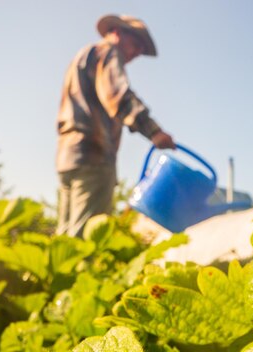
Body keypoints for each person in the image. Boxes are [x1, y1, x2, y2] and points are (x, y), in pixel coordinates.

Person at [56, 14, 175, 238]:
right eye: (136, 44)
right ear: (117, 32)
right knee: (87, 238)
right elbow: (118, 96)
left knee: (65, 238)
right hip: (94, 152)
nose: (137, 52)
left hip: (68, 154)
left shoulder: (84, 55)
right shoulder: (108, 53)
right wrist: (154, 131)